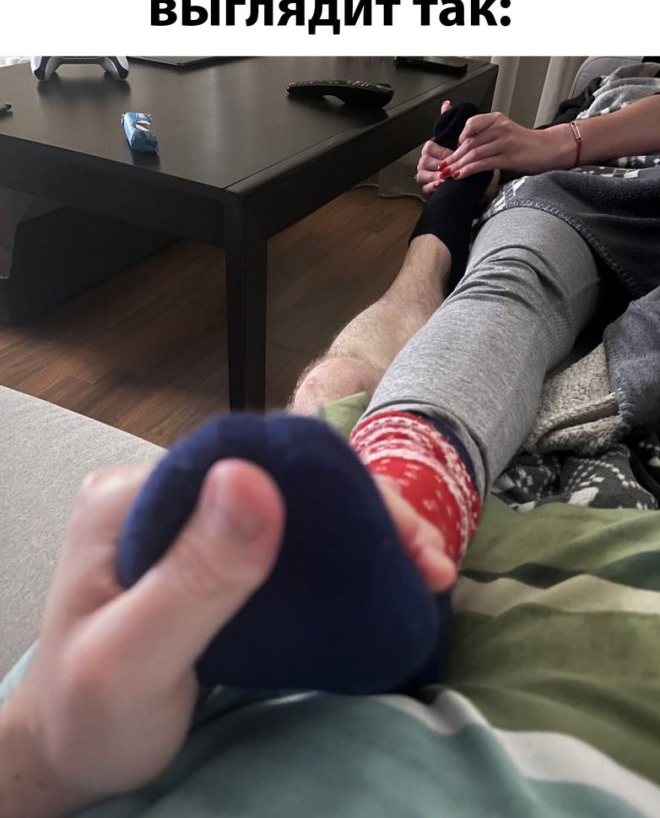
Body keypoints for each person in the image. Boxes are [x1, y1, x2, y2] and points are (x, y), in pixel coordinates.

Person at [2, 63, 660, 816]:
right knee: (508, 280)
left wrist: (36, 753)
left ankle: (444, 233)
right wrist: (541, 147)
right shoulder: (613, 84)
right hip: (594, 179)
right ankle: (406, 468)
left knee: (382, 355)